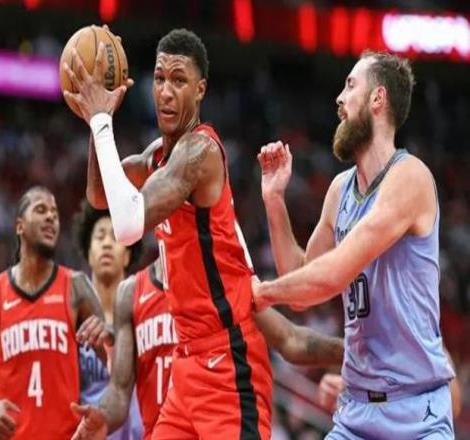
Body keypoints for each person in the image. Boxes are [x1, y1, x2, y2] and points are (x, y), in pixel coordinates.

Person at [63, 28, 273, 438]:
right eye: (159, 79)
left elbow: (127, 226)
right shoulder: (157, 156)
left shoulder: (200, 152)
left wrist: (102, 121)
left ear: (200, 90)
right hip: (187, 364)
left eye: (179, 80)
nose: (166, 92)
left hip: (228, 363)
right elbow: (99, 195)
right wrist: (96, 118)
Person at [252, 51, 456, 439]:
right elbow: (300, 286)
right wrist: (274, 200)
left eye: (350, 86)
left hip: (416, 415)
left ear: (378, 98)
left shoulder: (409, 177)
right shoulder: (340, 189)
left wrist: (261, 293)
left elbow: (335, 273)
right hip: (356, 413)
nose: (339, 99)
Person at [71, 253, 344, 440]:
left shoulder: (221, 278)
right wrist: (103, 416)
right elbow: (119, 391)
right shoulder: (131, 292)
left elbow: (290, 339)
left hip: (219, 425)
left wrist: (354, 350)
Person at [0, 186, 109, 440]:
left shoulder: (76, 285)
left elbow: (118, 366)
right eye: (41, 210)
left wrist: (110, 335)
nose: (51, 218)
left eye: (55, 213)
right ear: (19, 226)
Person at [73, 200, 143, 439]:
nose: (106, 243)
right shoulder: (71, 319)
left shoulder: (143, 313)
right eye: (99, 236)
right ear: (88, 253)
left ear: (127, 255)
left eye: (115, 237)